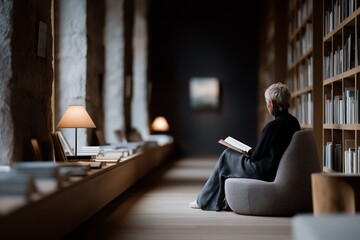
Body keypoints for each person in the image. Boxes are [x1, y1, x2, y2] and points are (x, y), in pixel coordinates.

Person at [189, 82, 300, 211]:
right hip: (276, 169)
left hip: (264, 171)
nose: (267, 105)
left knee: (226, 155)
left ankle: (202, 200)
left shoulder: (273, 126)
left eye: (267, 102)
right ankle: (215, 202)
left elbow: (256, 156)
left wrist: (246, 151)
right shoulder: (294, 123)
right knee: (227, 160)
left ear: (272, 103)